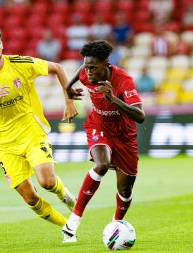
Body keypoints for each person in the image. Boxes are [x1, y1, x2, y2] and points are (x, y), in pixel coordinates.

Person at [0, 26, 78, 229]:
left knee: (47, 183)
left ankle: (63, 194)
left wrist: (69, 101)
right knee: (31, 199)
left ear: (2, 44)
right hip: (4, 144)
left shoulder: (19, 63)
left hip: (30, 132)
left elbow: (58, 68)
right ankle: (67, 227)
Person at [61, 40, 145, 242]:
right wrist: (68, 90)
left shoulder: (123, 80)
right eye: (86, 66)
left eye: (93, 67)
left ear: (106, 65)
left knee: (125, 189)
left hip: (124, 134)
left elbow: (140, 116)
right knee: (102, 164)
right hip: (99, 125)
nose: (88, 73)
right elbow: (80, 70)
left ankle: (116, 225)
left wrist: (113, 98)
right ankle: (73, 220)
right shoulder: (86, 72)